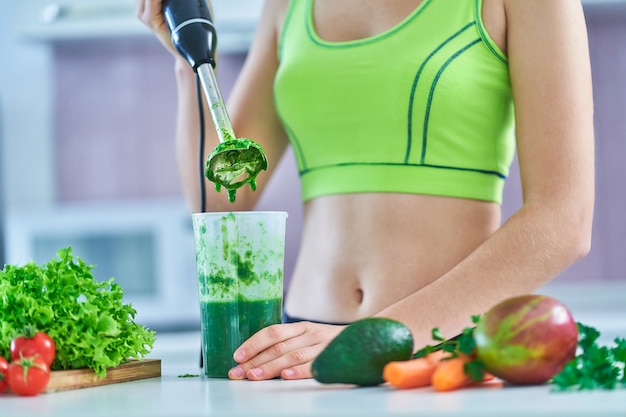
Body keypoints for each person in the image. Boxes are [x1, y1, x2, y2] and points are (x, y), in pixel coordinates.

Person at [136, 0, 595, 381]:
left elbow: (562, 220)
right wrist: (188, 61)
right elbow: (221, 200)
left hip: (437, 351)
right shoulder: (287, 5)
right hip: (303, 349)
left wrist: (378, 334)